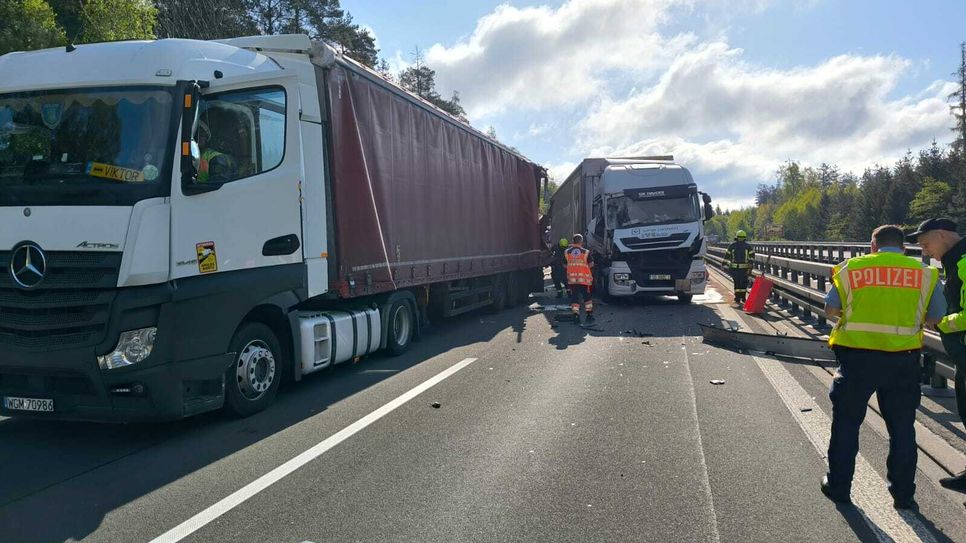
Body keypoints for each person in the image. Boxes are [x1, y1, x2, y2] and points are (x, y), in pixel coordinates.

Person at [822, 225, 945, 510]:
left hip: (857, 360)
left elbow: (830, 310)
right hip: (903, 361)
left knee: (846, 424)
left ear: (873, 245)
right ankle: (904, 496)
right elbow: (935, 318)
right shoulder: (925, 274)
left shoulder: (850, 269)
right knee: (902, 428)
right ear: (903, 247)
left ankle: (839, 487)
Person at [908, 217, 966, 492]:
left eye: (926, 244)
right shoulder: (955, 261)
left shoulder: (964, 261)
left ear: (942, 235)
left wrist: (941, 321)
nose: (925, 252)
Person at [566, 234, 595, 323]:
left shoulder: (567, 252)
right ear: (581, 242)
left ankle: (576, 316)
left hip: (573, 279)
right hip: (584, 279)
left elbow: (564, 264)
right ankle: (589, 315)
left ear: (573, 241)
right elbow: (591, 264)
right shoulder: (586, 252)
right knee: (587, 297)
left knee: (575, 297)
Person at [725, 230, 755, 305]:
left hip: (734, 269)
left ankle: (737, 298)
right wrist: (750, 268)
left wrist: (723, 264)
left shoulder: (732, 246)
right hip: (744, 269)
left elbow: (727, 256)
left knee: (737, 283)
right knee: (744, 283)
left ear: (736, 237)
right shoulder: (748, 246)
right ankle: (743, 298)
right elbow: (752, 258)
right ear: (745, 237)